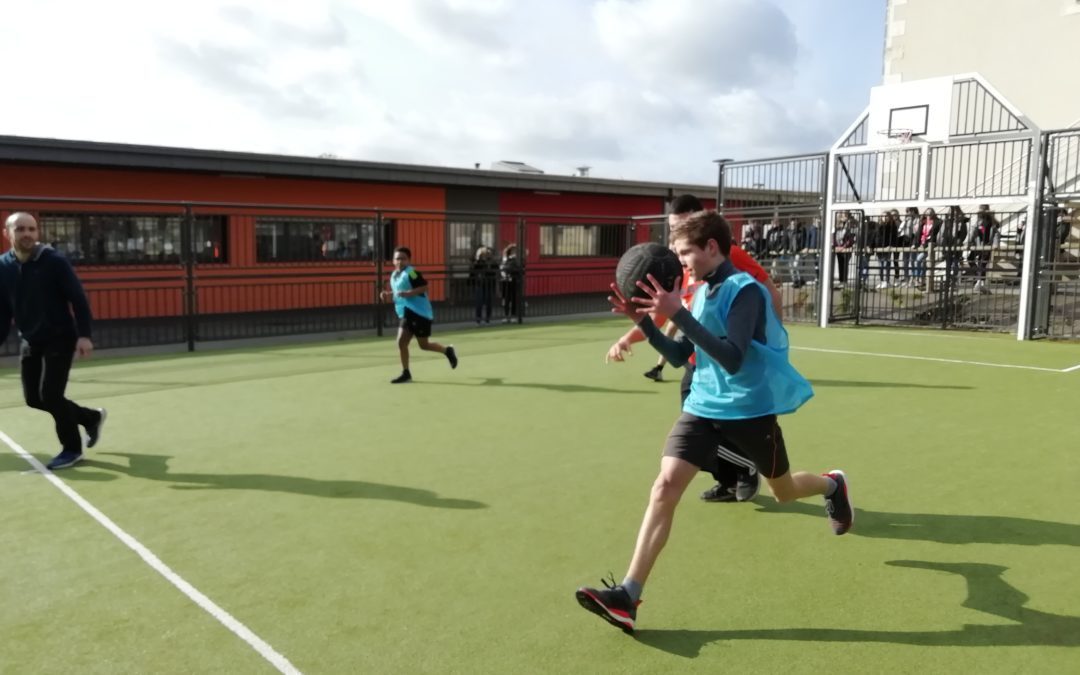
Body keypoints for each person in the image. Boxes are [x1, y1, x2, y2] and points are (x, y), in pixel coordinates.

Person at [577, 210, 853, 633]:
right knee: (665, 486)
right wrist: (643, 324)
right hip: (703, 407)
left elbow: (733, 357)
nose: (680, 261)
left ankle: (832, 483)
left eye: (685, 252)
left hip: (750, 409)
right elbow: (679, 356)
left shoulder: (744, 291)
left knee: (785, 491)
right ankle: (628, 595)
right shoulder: (699, 293)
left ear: (711, 247)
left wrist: (677, 313)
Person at [612, 194, 781, 503]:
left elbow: (765, 292)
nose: (674, 239)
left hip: (734, 370)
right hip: (697, 361)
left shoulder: (731, 267)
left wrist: (768, 344)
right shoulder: (688, 268)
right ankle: (729, 478)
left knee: (783, 486)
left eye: (680, 228)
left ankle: (745, 470)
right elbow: (666, 315)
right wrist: (635, 328)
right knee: (680, 458)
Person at [0, 212, 107, 470]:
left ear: (37, 233)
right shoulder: (3, 266)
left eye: (32, 229)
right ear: (8, 233)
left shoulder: (54, 261)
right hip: (31, 338)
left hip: (60, 336)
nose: (27, 234)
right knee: (33, 398)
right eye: (20, 229)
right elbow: (3, 310)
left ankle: (72, 449)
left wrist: (84, 335)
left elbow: (78, 299)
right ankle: (90, 417)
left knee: (51, 394)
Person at [380, 246, 458, 383]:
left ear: (409, 260)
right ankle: (406, 373)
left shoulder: (412, 273)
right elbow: (400, 292)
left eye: (403, 259)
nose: (400, 261)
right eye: (397, 258)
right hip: (406, 313)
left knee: (424, 345)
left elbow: (424, 287)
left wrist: (409, 294)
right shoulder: (394, 275)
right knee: (401, 342)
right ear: (393, 260)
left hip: (420, 313)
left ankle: (447, 351)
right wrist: (388, 294)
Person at [470, 246, 497, 325]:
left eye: (486, 253)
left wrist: (491, 258)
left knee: (489, 302)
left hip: (488, 283)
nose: (485, 255)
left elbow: (495, 268)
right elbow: (473, 269)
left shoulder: (490, 261)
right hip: (480, 283)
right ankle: (478, 318)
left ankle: (488, 318)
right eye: (483, 253)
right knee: (479, 302)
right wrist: (478, 257)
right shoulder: (477, 262)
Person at [499, 244, 522, 323]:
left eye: (514, 251)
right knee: (506, 299)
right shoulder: (505, 260)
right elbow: (502, 267)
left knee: (513, 299)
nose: (514, 253)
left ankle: (513, 315)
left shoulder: (516, 260)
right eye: (512, 251)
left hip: (513, 281)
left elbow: (519, 269)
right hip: (505, 281)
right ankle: (506, 316)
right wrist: (510, 246)